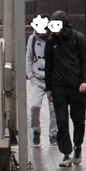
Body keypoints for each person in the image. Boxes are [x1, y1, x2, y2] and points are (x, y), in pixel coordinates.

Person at [44, 10, 86, 168]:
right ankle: (66, 152)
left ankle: (78, 147)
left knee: (78, 120)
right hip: (59, 87)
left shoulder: (78, 39)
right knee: (61, 121)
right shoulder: (51, 43)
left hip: (77, 86)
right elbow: (48, 66)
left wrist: (85, 81)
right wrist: (48, 88)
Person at [26, 15, 58, 146]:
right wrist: (30, 75)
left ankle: (53, 135)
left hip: (52, 78)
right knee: (34, 106)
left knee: (54, 108)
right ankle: (36, 130)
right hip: (37, 78)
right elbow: (28, 57)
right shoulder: (32, 39)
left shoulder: (54, 39)